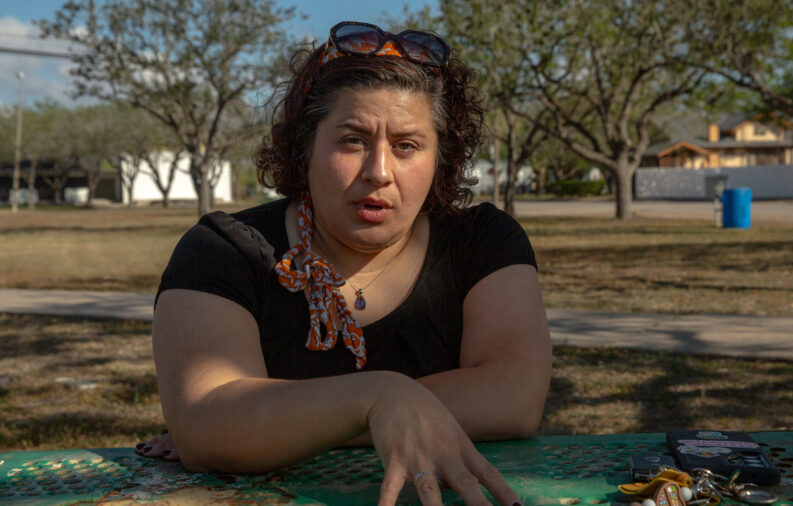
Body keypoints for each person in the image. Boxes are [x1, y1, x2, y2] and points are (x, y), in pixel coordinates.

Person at [141, 20, 551, 506]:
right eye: (352, 140)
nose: (379, 171)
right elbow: (206, 425)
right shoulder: (224, 251)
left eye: (406, 146)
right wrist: (376, 399)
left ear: (441, 157)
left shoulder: (482, 242)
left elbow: (515, 396)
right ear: (304, 148)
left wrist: (274, 431)